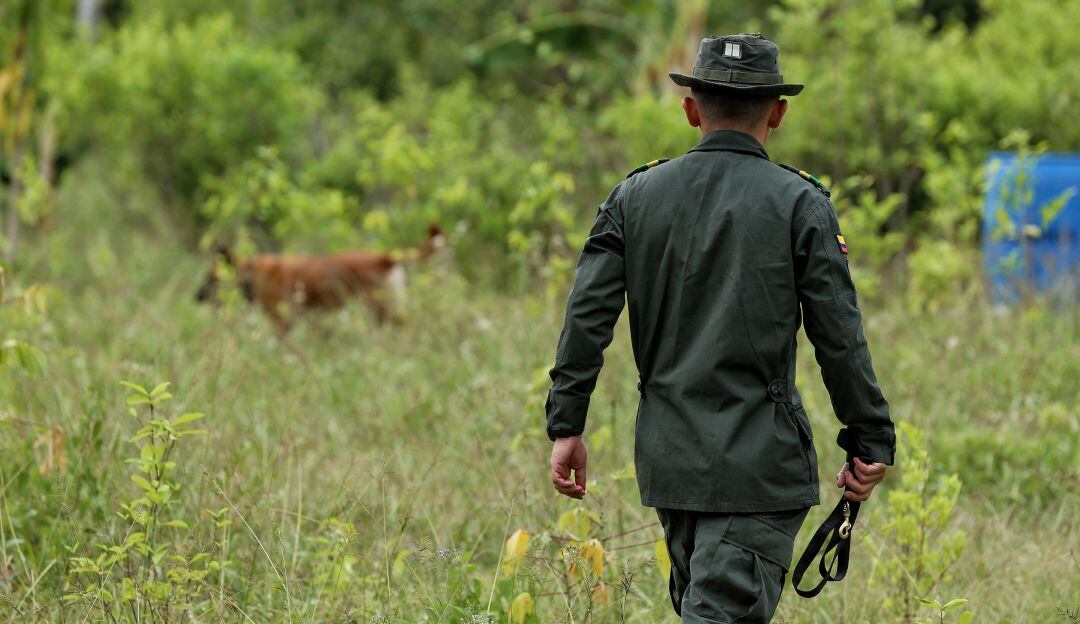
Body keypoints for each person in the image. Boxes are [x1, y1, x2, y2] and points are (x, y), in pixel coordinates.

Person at [543, 33, 896, 623]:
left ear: (690, 108)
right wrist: (870, 436)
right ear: (778, 113)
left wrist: (566, 424)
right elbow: (839, 336)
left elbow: (586, 319)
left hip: (669, 462)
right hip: (757, 466)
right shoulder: (800, 203)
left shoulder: (633, 196)